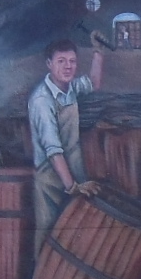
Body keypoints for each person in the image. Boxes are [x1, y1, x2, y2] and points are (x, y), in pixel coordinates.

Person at [28, 37, 106, 251]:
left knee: (74, 237)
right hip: (52, 180)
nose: (68, 66)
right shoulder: (42, 101)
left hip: (74, 172)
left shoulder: (69, 88)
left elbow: (93, 83)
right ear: (49, 64)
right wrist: (72, 186)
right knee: (49, 235)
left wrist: (98, 52)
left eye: (72, 61)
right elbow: (53, 151)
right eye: (61, 61)